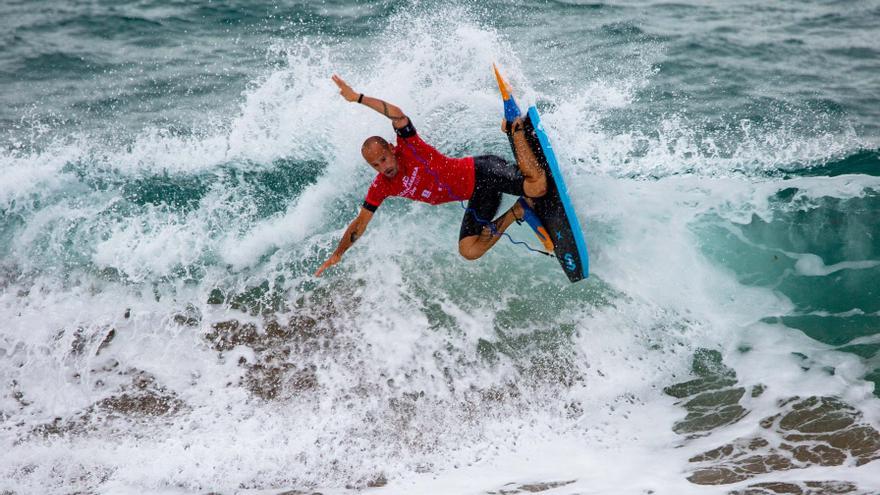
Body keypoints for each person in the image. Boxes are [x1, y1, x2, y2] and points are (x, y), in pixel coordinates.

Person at [314, 74, 547, 277]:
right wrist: (339, 253)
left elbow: (396, 114)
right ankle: (520, 209)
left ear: (391, 150)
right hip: (480, 196)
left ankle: (515, 130)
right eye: (375, 165)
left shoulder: (408, 146)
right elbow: (360, 224)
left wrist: (358, 98)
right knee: (469, 251)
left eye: (383, 159)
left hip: (482, 171)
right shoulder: (382, 186)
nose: (382, 167)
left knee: (538, 186)